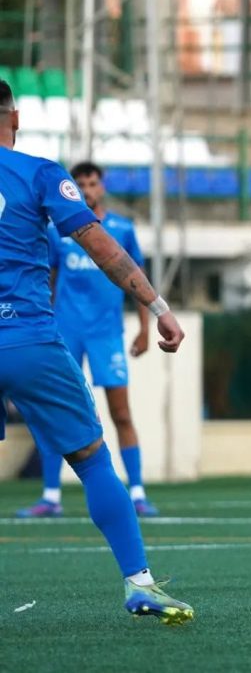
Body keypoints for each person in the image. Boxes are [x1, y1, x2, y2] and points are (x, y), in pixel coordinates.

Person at [0, 80, 193, 623]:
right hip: (28, 340)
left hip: (49, 335)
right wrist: (158, 309)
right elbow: (102, 248)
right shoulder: (38, 173)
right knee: (89, 458)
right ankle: (139, 584)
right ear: (13, 118)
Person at [16, 161, 158, 519]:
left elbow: (135, 275)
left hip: (107, 334)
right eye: (80, 184)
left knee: (121, 413)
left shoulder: (122, 230)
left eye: (92, 183)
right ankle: (51, 496)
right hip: (65, 332)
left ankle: (138, 491)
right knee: (54, 416)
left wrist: (145, 327)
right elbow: (45, 280)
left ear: (102, 187)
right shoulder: (58, 232)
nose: (86, 189)